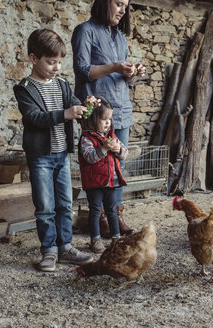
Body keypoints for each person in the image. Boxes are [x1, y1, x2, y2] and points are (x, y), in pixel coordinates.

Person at [13, 29, 93, 272]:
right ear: (33, 58)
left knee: (65, 203)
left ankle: (66, 248)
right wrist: (66, 114)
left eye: (59, 62)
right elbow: (35, 117)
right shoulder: (25, 88)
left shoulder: (62, 84)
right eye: (50, 62)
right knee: (45, 206)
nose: (56, 67)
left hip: (61, 156)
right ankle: (49, 252)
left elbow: (74, 107)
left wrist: (85, 107)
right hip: (40, 158)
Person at [71, 0, 146, 237]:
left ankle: (116, 216)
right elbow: (83, 69)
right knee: (97, 162)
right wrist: (114, 66)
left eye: (126, 5)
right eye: (118, 3)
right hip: (96, 110)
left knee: (117, 162)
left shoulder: (120, 36)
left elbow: (120, 76)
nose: (123, 9)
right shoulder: (86, 30)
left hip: (119, 106)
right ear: (104, 3)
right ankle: (100, 216)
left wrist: (132, 72)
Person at [78, 97, 128, 253]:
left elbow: (125, 153)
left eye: (110, 119)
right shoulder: (87, 138)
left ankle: (116, 238)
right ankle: (95, 240)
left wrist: (117, 150)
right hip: (94, 183)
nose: (108, 123)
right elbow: (89, 157)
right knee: (95, 211)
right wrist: (104, 149)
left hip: (111, 181)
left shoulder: (112, 137)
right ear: (93, 119)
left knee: (112, 210)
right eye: (104, 119)